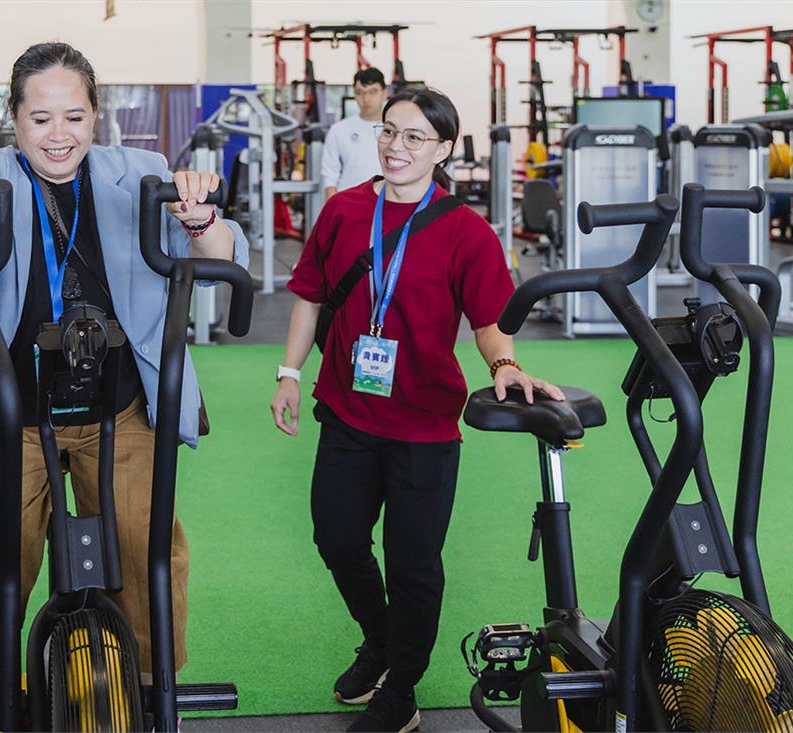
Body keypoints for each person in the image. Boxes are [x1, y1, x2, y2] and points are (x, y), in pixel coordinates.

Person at [0, 41, 247, 693]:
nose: (58, 135)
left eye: (74, 117)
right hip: (10, 405)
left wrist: (200, 218)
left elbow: (223, 257)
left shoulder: (142, 173)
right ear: (14, 117)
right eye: (40, 118)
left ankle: (148, 682)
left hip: (120, 401)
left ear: (96, 114)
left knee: (143, 541)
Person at [270, 87, 564, 733]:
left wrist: (505, 365)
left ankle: (400, 689)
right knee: (337, 539)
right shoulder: (344, 211)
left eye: (414, 137)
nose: (395, 146)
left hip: (424, 424)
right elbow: (311, 297)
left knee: (413, 565)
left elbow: (488, 321)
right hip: (347, 409)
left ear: (444, 149)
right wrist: (290, 374)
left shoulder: (466, 230)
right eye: (388, 131)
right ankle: (381, 642)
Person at [321, 68, 388, 201]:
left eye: (372, 92)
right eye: (360, 93)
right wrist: (333, 205)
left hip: (387, 202)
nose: (366, 99)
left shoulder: (396, 130)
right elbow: (329, 174)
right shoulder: (339, 130)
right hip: (349, 202)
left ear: (384, 93)